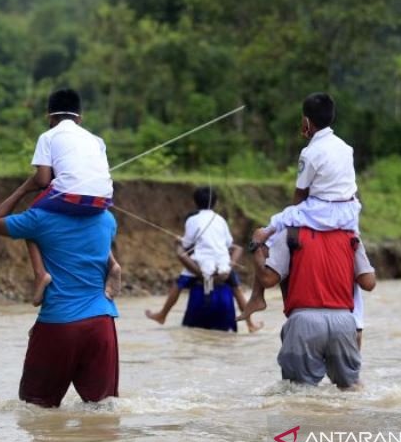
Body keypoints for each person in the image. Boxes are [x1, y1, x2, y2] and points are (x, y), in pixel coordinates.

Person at [0, 177, 120, 408]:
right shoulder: (107, 219)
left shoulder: (38, 218)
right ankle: (114, 265)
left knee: (35, 408)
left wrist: (26, 187)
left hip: (59, 323)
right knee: (103, 408)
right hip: (102, 321)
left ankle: (41, 275)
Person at [239, 93, 363, 329]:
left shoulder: (310, 152)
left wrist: (288, 222)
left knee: (269, 230)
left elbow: (300, 195)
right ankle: (356, 319)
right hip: (348, 211)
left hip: (320, 211)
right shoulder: (346, 148)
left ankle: (257, 296)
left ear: (306, 122)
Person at [16, 88, 121, 306]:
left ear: (50, 117)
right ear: (80, 118)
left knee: (30, 221)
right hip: (103, 200)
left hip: (71, 196)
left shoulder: (48, 136)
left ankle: (40, 275)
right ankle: (113, 266)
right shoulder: (97, 140)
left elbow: (43, 180)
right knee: (92, 217)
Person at [249, 226, 376, 389]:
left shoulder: (290, 234)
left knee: (299, 392)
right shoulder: (351, 237)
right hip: (343, 322)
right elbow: (369, 283)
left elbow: (268, 279)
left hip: (303, 322)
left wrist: (256, 246)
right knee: (350, 387)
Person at [145, 187, 261, 333]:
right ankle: (250, 323)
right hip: (222, 263)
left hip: (201, 263)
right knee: (237, 289)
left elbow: (187, 244)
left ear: (195, 202)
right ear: (215, 203)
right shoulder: (221, 220)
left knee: (178, 285)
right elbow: (227, 243)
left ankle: (162, 315)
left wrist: (178, 241)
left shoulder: (192, 220)